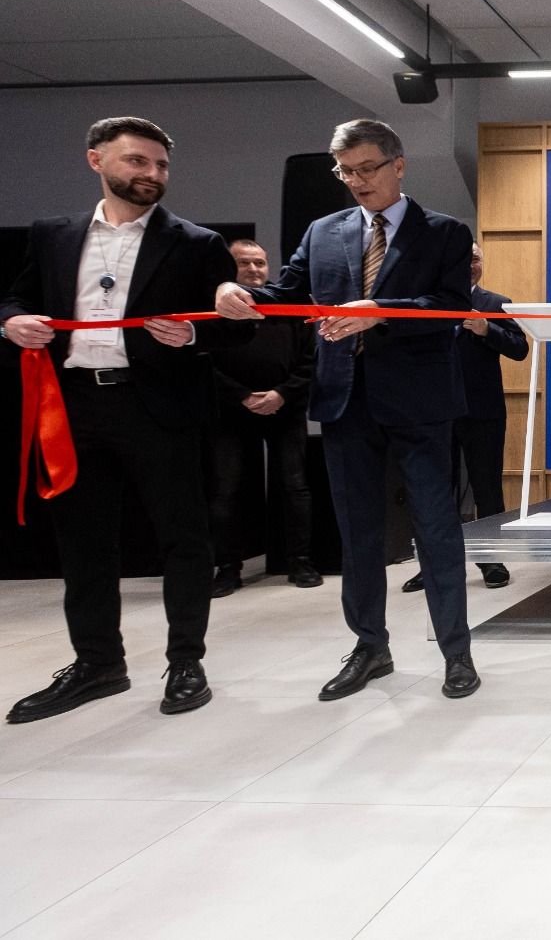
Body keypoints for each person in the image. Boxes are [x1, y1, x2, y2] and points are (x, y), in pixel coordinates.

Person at [215, 119, 481, 700]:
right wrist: (238, 292)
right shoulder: (323, 231)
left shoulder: (445, 232)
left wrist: (378, 311)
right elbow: (286, 292)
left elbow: (450, 305)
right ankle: (369, 647)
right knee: (358, 532)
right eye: (345, 172)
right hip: (344, 399)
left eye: (367, 168)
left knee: (436, 528)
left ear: (398, 165)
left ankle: (456, 652)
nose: (357, 181)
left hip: (420, 402)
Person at [1, 116, 245, 722]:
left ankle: (186, 662)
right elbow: (18, 297)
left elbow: (234, 330)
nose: (152, 174)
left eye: (160, 165)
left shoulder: (197, 243)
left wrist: (194, 335)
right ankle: (98, 664)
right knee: (82, 543)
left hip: (157, 406)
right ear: (97, 160)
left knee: (184, 539)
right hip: (74, 406)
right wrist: (11, 322)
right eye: (137, 161)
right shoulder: (52, 235)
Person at [401, 241, 528, 593]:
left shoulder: (497, 303)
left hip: (482, 411)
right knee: (436, 492)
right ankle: (433, 565)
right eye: (461, 259)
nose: (469, 265)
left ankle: (492, 560)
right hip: (435, 413)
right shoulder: (427, 303)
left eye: (474, 259)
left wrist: (488, 330)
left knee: (488, 488)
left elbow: (520, 349)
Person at [208, 239, 320, 596]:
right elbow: (204, 361)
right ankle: (228, 569)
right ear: (230, 267)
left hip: (284, 408)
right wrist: (241, 395)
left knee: (294, 486)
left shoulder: (290, 304)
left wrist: (281, 393)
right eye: (244, 263)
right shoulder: (214, 308)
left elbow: (311, 358)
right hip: (230, 411)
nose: (254, 269)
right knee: (226, 490)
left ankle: (300, 562)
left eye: (259, 262)